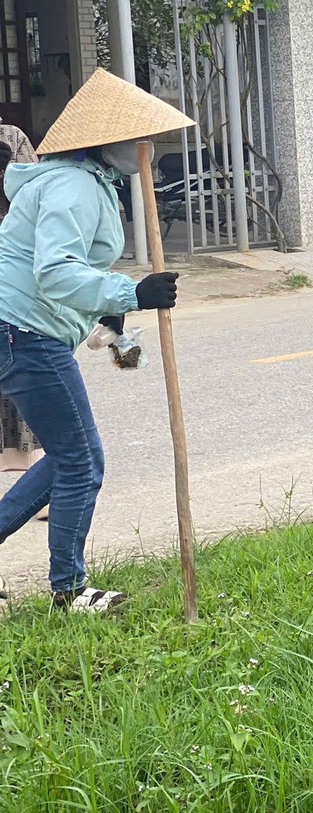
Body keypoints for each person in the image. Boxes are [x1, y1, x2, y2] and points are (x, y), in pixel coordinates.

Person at [0, 70, 189, 609]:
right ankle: (70, 590)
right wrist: (133, 292)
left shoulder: (82, 180)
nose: (146, 147)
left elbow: (68, 270)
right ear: (105, 141)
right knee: (82, 461)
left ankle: (67, 584)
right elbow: (55, 272)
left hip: (23, 329)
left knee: (68, 457)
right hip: (24, 331)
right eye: (138, 137)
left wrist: (109, 315)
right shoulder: (74, 185)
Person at [0, 125, 43, 481]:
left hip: (10, 271)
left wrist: (8, 175)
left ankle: (32, 489)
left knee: (19, 373)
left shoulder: (11, 138)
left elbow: (37, 199)